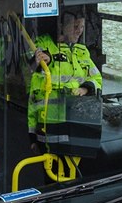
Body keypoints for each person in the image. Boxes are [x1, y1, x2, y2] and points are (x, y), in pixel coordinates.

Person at [27, 8, 102, 151]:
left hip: (78, 126)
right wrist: (32, 136)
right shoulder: (43, 45)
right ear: (61, 26)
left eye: (81, 27)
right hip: (50, 130)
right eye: (75, 26)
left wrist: (86, 88)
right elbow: (31, 80)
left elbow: (97, 78)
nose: (79, 31)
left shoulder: (81, 51)